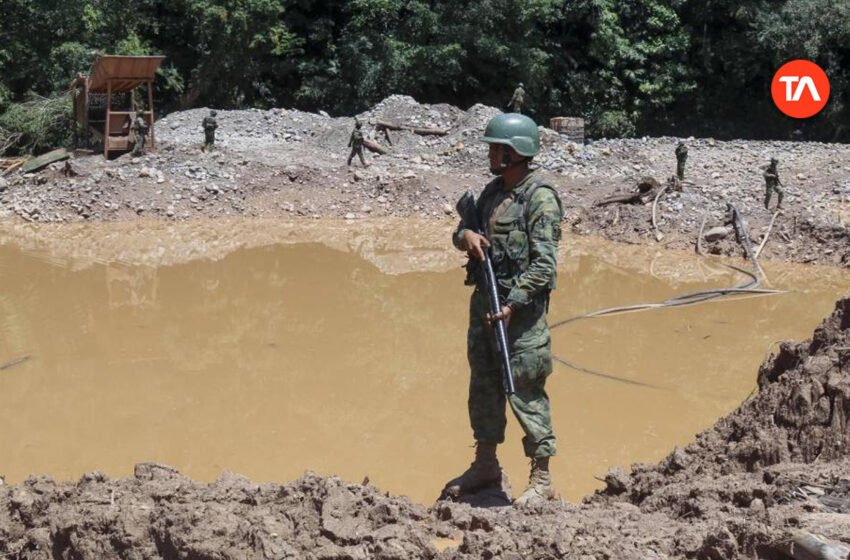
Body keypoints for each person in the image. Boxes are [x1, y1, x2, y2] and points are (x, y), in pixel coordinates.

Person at [443, 113, 564, 506]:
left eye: (498, 148)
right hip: (485, 309)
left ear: (517, 153)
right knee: (484, 388)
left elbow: (544, 265)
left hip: (520, 319)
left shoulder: (540, 197)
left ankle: (541, 478)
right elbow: (459, 231)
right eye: (493, 147)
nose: (491, 154)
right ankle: (486, 464)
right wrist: (467, 237)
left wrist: (513, 302)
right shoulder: (493, 192)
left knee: (524, 391)